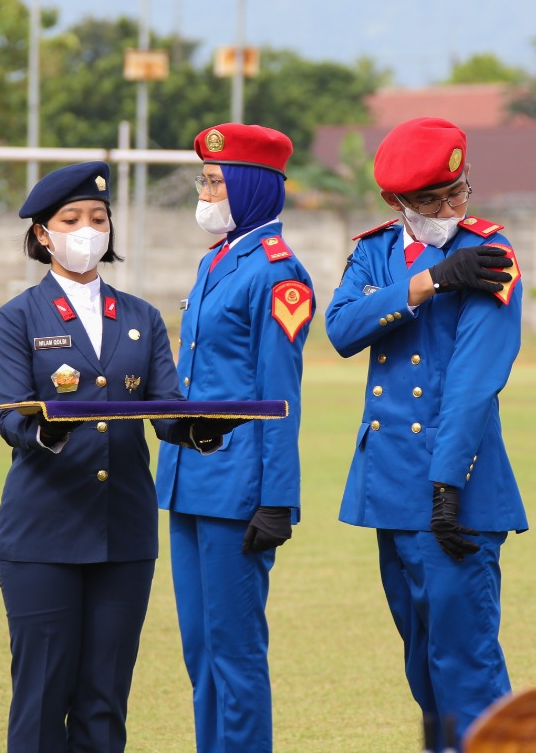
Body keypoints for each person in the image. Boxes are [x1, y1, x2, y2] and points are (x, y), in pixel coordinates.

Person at [324, 116, 526, 750]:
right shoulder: (376, 251)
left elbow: (473, 382)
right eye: (431, 199)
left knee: (466, 665)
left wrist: (447, 483)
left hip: (455, 487)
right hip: (390, 485)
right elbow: (341, 330)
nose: (449, 208)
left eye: (458, 191)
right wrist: (430, 280)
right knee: (421, 662)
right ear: (395, 202)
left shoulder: (490, 254)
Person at [0, 161, 190, 752]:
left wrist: (201, 428)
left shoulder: (141, 317)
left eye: (98, 218)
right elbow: (9, 416)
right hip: (43, 531)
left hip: (123, 531)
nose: (87, 229)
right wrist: (47, 432)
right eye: (70, 219)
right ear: (42, 234)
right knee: (43, 695)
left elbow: (167, 408)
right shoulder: (18, 317)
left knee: (105, 698)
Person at [154, 123, 312, 752]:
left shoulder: (277, 272)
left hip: (238, 491)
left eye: (216, 181)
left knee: (236, 656)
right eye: (205, 179)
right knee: (200, 651)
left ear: (250, 187)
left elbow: (281, 397)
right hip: (189, 479)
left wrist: (277, 497)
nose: (206, 191)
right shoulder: (217, 259)